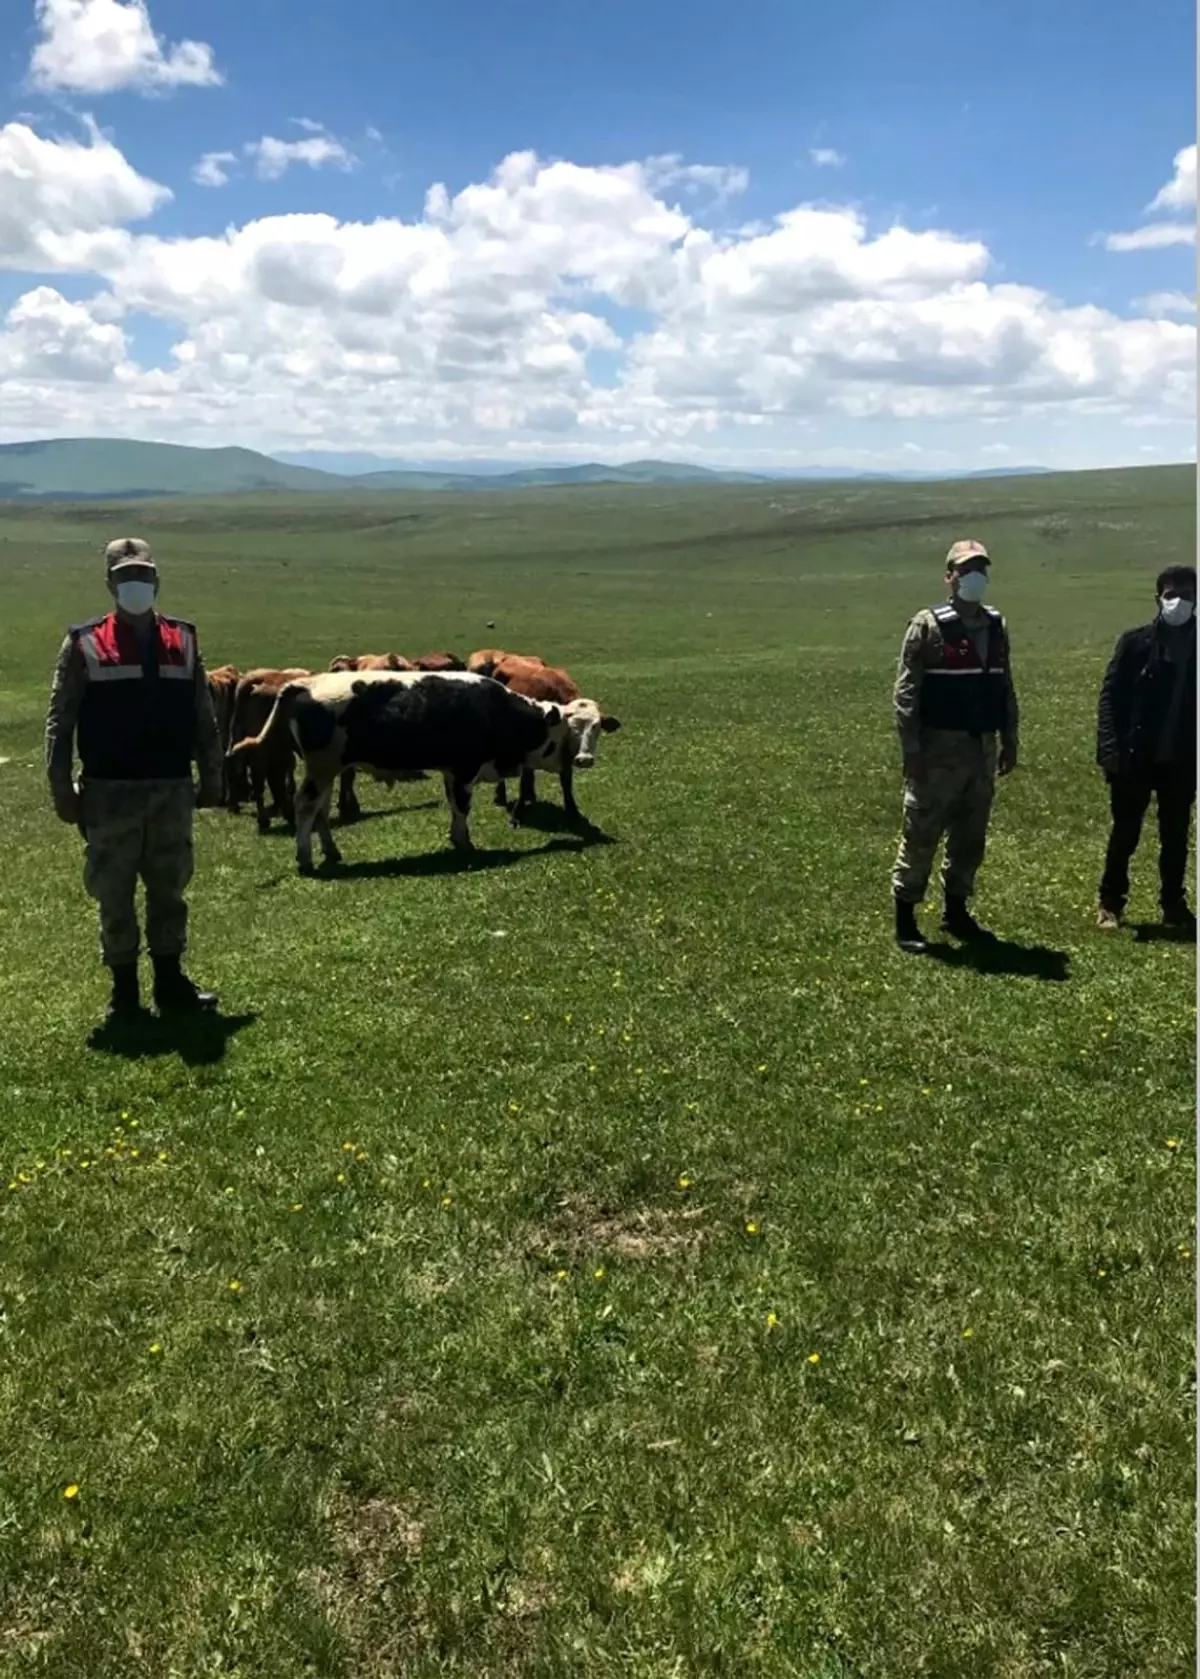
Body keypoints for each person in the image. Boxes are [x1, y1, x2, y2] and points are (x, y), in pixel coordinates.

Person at [45, 537, 224, 1018]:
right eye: (126, 577)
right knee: (113, 891)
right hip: (108, 793)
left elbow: (202, 714)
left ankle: (170, 982)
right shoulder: (84, 643)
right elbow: (60, 720)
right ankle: (124, 994)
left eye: (143, 576)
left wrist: (213, 776)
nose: (136, 585)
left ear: (158, 580)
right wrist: (62, 788)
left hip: (170, 788)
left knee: (170, 887)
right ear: (109, 584)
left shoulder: (183, 639)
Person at [891, 539, 1019, 952]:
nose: (975, 577)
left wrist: (1009, 737)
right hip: (936, 750)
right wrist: (911, 750)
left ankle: (956, 910)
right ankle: (906, 919)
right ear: (950, 577)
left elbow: (1005, 685)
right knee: (921, 832)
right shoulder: (927, 627)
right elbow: (906, 694)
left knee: (970, 836)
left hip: (980, 748)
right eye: (966, 570)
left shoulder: (996, 625)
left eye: (981, 568)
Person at [1095, 564, 1196, 932]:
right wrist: (1109, 749)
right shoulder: (1135, 643)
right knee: (1125, 832)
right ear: (1158, 599)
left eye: (1187, 595)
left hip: (1182, 760)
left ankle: (1173, 904)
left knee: (1176, 835)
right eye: (1172, 595)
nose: (1180, 602)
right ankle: (1110, 902)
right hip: (1134, 757)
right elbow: (1109, 698)